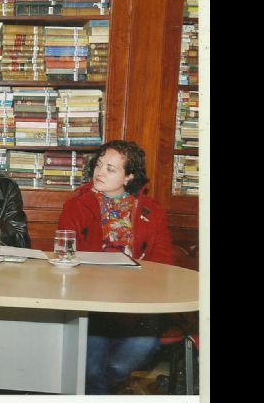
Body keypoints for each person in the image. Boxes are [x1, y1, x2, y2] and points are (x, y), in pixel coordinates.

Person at [57, 140, 175, 394]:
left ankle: (100, 390)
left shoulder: (152, 212)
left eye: (110, 169)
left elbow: (164, 264)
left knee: (128, 358)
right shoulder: (76, 207)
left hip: (136, 305)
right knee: (91, 369)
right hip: (92, 305)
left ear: (129, 176)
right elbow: (65, 257)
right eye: (99, 165)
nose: (99, 172)